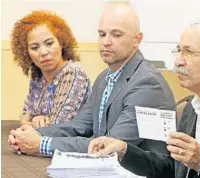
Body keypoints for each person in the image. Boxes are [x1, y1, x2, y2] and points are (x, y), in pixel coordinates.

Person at [88, 23, 200, 178]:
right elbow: (172, 169)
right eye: (178, 51)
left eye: (188, 52)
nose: (178, 61)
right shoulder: (190, 108)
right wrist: (124, 149)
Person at [8, 4, 175, 157]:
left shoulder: (148, 84)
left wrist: (41, 144)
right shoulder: (104, 78)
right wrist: (33, 134)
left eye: (116, 35)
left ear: (137, 40)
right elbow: (79, 126)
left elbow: (108, 147)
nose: (106, 42)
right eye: (102, 34)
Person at [10, 10, 91, 129]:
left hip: (71, 145)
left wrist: (28, 123)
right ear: (27, 53)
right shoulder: (37, 76)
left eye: (49, 43)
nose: (43, 52)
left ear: (61, 43)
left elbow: (60, 126)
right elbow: (25, 113)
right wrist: (36, 119)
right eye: (34, 47)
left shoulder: (73, 72)